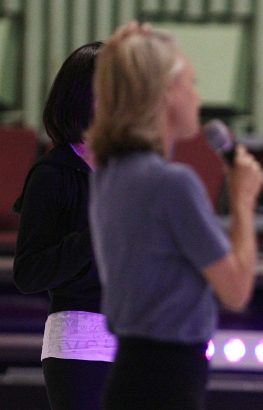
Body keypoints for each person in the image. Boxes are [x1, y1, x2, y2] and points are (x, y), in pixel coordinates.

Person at [86, 21, 263, 410]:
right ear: (165, 93)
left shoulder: (110, 174)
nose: (198, 97)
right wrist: (242, 200)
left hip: (130, 370)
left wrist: (121, 55)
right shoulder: (171, 184)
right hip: (169, 376)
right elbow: (236, 290)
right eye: (191, 83)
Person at [12, 41, 117, 410]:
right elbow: (29, 272)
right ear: (82, 98)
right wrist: (96, 236)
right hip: (80, 342)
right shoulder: (53, 173)